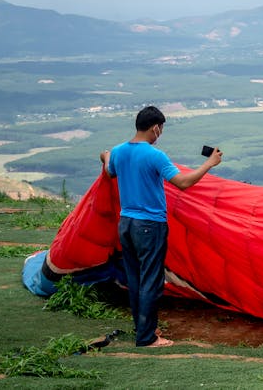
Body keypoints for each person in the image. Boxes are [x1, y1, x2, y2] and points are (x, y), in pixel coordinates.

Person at [100, 105, 222, 347]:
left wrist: (105, 156)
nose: (161, 134)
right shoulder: (155, 155)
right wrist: (210, 163)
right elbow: (183, 183)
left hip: (126, 224)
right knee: (151, 281)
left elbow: (109, 170)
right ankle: (146, 338)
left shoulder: (119, 152)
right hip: (149, 225)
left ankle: (143, 328)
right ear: (155, 127)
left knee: (135, 278)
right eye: (161, 129)